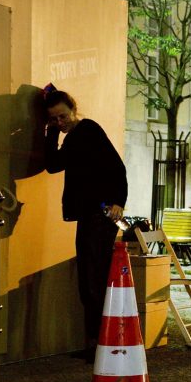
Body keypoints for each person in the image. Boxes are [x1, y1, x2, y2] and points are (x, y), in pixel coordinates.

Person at [43, 87, 127, 362]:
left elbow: (116, 167)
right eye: (54, 119)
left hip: (99, 214)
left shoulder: (88, 130)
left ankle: (99, 343)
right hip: (93, 213)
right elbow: (54, 165)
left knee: (93, 279)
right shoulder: (74, 137)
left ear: (74, 110)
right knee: (91, 279)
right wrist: (52, 133)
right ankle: (96, 342)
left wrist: (118, 201)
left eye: (63, 116)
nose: (60, 122)